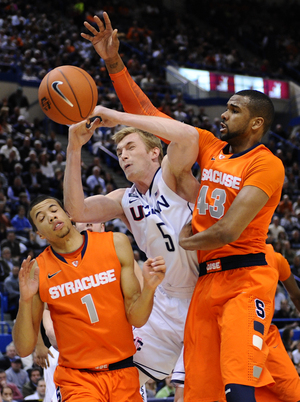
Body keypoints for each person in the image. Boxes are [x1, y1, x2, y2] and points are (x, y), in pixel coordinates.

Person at [80, 12, 285, 402]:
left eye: (234, 110)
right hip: (206, 281)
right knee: (198, 391)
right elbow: (148, 115)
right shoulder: (211, 148)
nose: (223, 114)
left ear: (256, 123)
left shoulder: (265, 163)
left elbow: (228, 230)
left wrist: (183, 239)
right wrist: (112, 63)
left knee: (240, 385)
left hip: (244, 278)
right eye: (225, 107)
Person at [64, 100, 199, 401]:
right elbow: (77, 211)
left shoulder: (172, 174)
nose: (123, 155)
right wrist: (73, 148)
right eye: (120, 151)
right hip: (163, 304)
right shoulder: (125, 199)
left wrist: (117, 117)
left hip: (202, 297)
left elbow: (189, 136)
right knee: (117, 374)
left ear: (154, 152)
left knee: (193, 392)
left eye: (130, 147)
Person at [12, 195, 166, 402]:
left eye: (53, 210)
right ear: (39, 234)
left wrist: (149, 287)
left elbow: (136, 318)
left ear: (67, 215)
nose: (50, 217)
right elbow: (23, 349)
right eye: (41, 217)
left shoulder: (116, 243)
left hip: (123, 371)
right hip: (77, 379)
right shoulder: (38, 270)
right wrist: (25, 299)